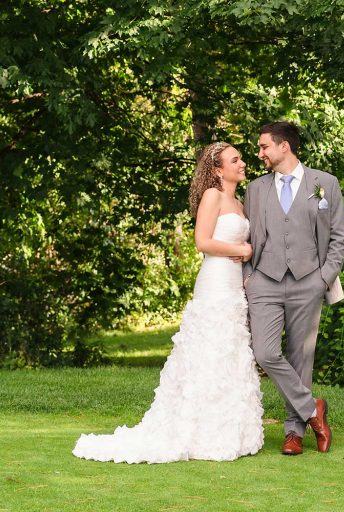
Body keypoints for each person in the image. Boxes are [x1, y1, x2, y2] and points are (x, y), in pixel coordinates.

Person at [73, 142, 264, 464]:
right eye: (235, 159)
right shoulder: (213, 196)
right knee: (209, 349)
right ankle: (194, 430)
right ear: (218, 169)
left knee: (229, 350)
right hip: (215, 281)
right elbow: (202, 241)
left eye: (241, 158)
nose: (243, 163)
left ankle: (226, 430)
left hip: (235, 286)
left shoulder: (240, 202)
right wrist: (242, 251)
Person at [243, 121, 344, 455]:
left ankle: (294, 433)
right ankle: (313, 408)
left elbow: (338, 238)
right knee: (265, 353)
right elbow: (248, 237)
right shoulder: (256, 189)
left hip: (308, 282)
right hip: (265, 281)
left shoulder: (325, 184)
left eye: (264, 147)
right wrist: (249, 277)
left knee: (301, 358)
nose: (259, 153)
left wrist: (322, 279)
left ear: (283, 146)